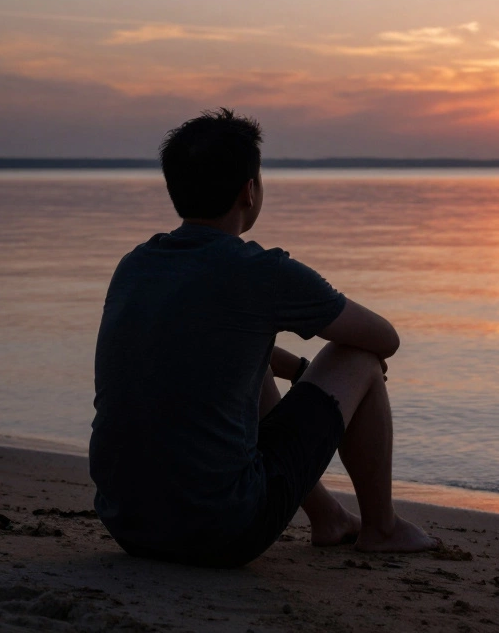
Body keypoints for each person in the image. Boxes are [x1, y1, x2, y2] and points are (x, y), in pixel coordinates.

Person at [89, 108, 437, 567]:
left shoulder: (136, 265)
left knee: (243, 357)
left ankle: (329, 517)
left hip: (129, 524)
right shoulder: (260, 272)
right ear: (249, 191)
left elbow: (210, 344)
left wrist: (296, 370)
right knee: (359, 359)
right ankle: (382, 527)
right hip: (221, 532)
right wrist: (320, 371)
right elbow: (383, 339)